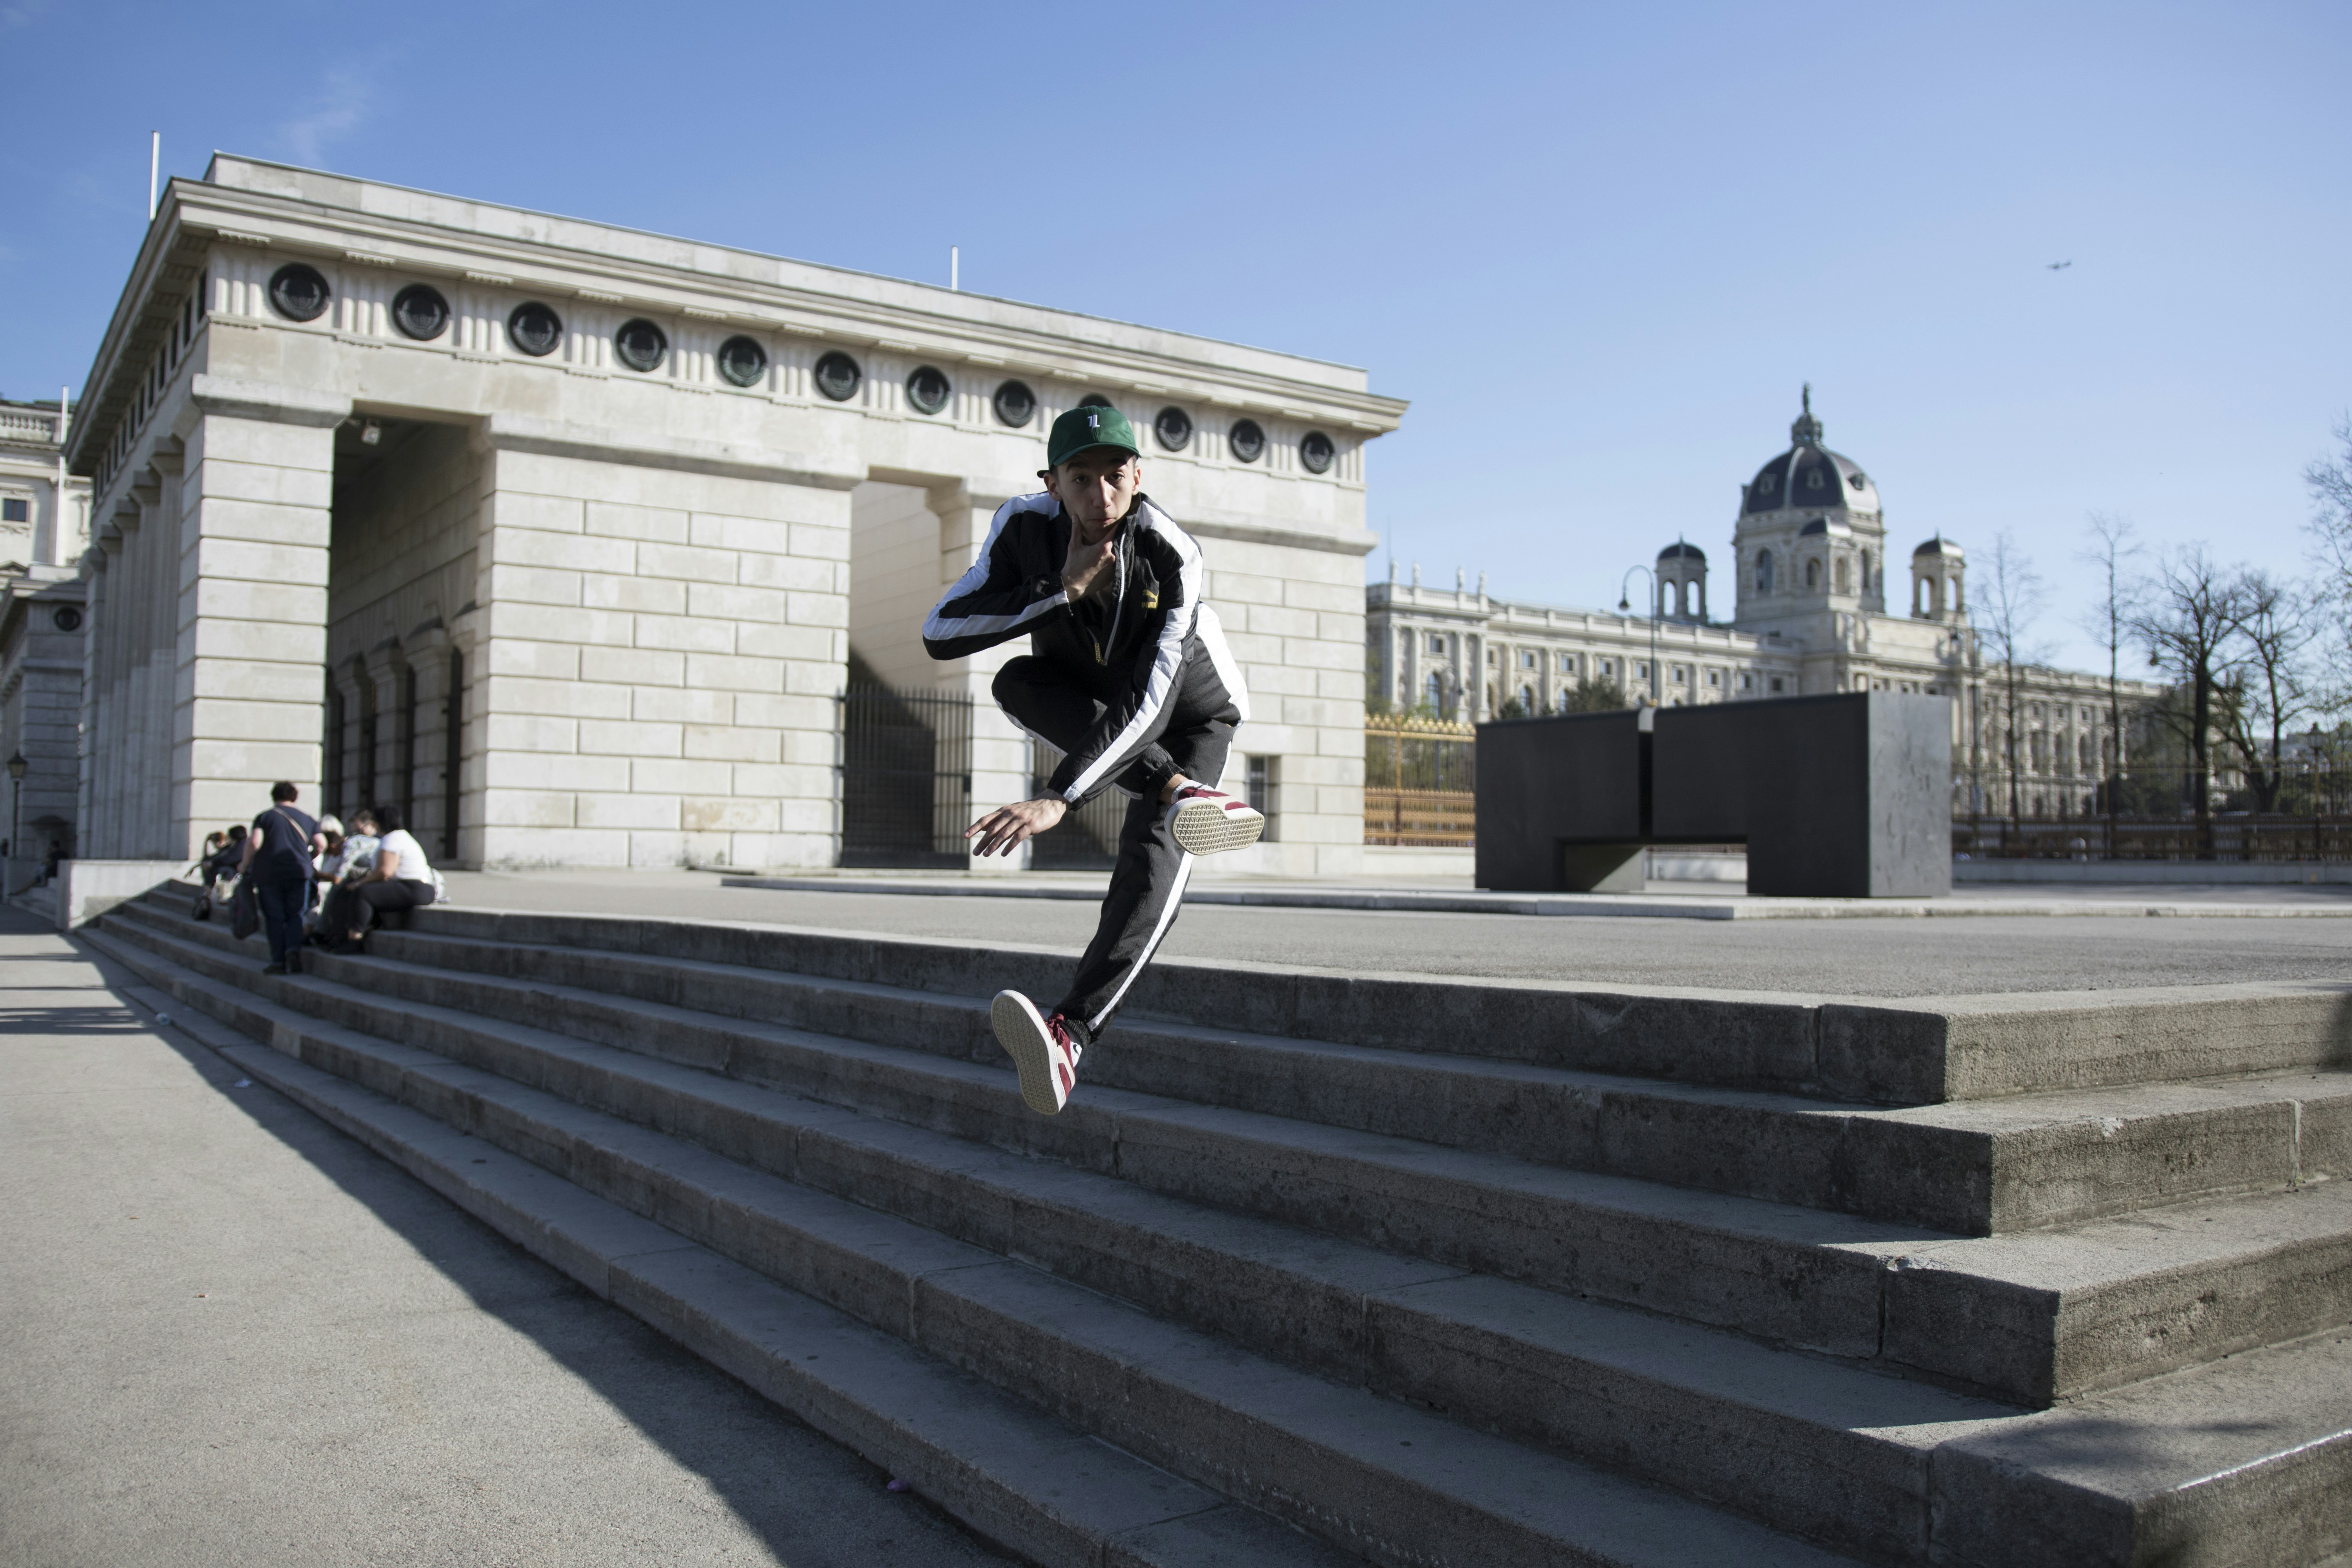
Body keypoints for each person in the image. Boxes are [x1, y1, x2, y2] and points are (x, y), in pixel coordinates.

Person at [922, 404, 1263, 1116]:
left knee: (1151, 853)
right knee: (1015, 679)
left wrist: (1063, 795)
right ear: (1051, 482)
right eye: (1081, 479)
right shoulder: (1021, 527)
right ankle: (1188, 794)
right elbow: (941, 630)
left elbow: (1151, 698)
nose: (1100, 497)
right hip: (1095, 696)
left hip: (1189, 709)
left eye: (1116, 477)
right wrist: (1060, 588)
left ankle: (1069, 1033)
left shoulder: (1172, 553)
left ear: (1138, 476)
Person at [238, 783, 324, 975]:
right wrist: (309, 858)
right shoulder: (308, 818)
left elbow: (255, 842)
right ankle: (293, 950)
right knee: (296, 914)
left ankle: (278, 962)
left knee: (274, 918)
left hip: (269, 874)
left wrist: (244, 865)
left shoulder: (265, 817)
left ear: (274, 797)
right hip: (299, 872)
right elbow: (321, 843)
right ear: (295, 797)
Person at [326, 803, 435, 951]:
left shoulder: (392, 839)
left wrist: (359, 883)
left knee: (363, 893)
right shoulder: (402, 836)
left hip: (414, 888)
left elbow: (384, 873)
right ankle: (340, 936)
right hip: (418, 889)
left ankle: (355, 940)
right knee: (352, 892)